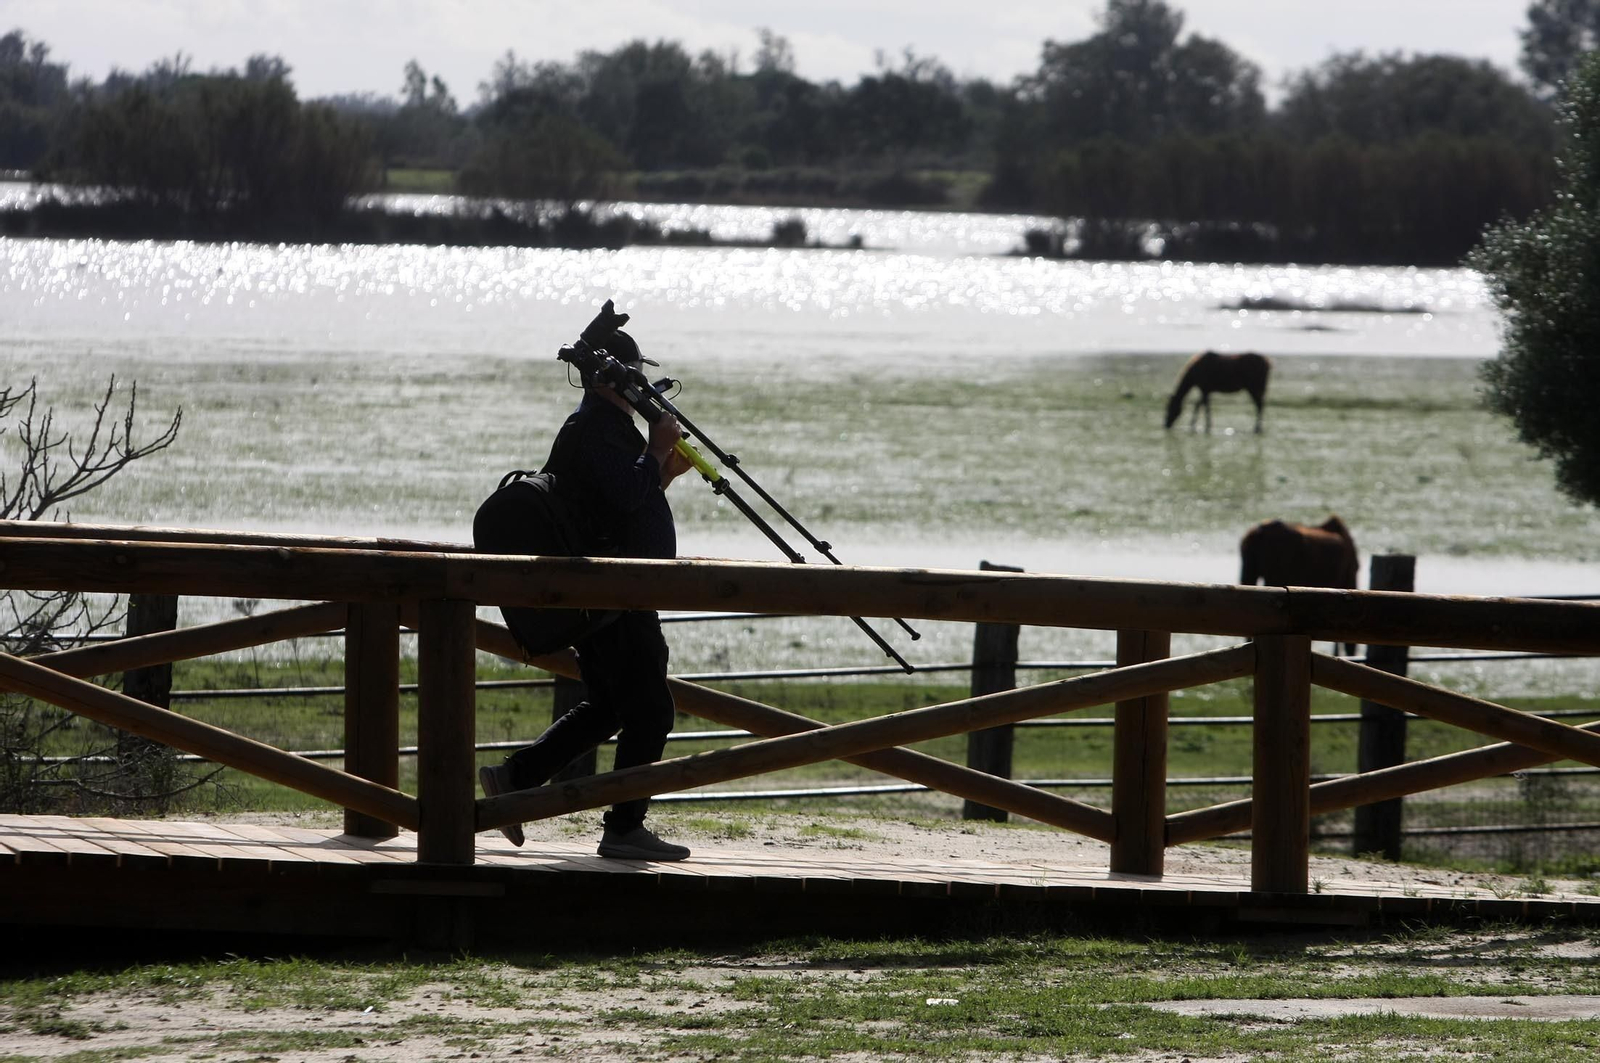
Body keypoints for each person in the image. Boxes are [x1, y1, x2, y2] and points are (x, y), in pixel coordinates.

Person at [473, 300, 694, 861]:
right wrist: (658, 449)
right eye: (636, 376)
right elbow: (623, 496)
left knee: (610, 705)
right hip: (613, 597)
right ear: (614, 381)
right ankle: (624, 827)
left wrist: (660, 468)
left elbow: (623, 505)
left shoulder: (604, 427)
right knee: (651, 711)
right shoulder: (596, 428)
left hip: (617, 592)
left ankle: (515, 776)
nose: (643, 387)